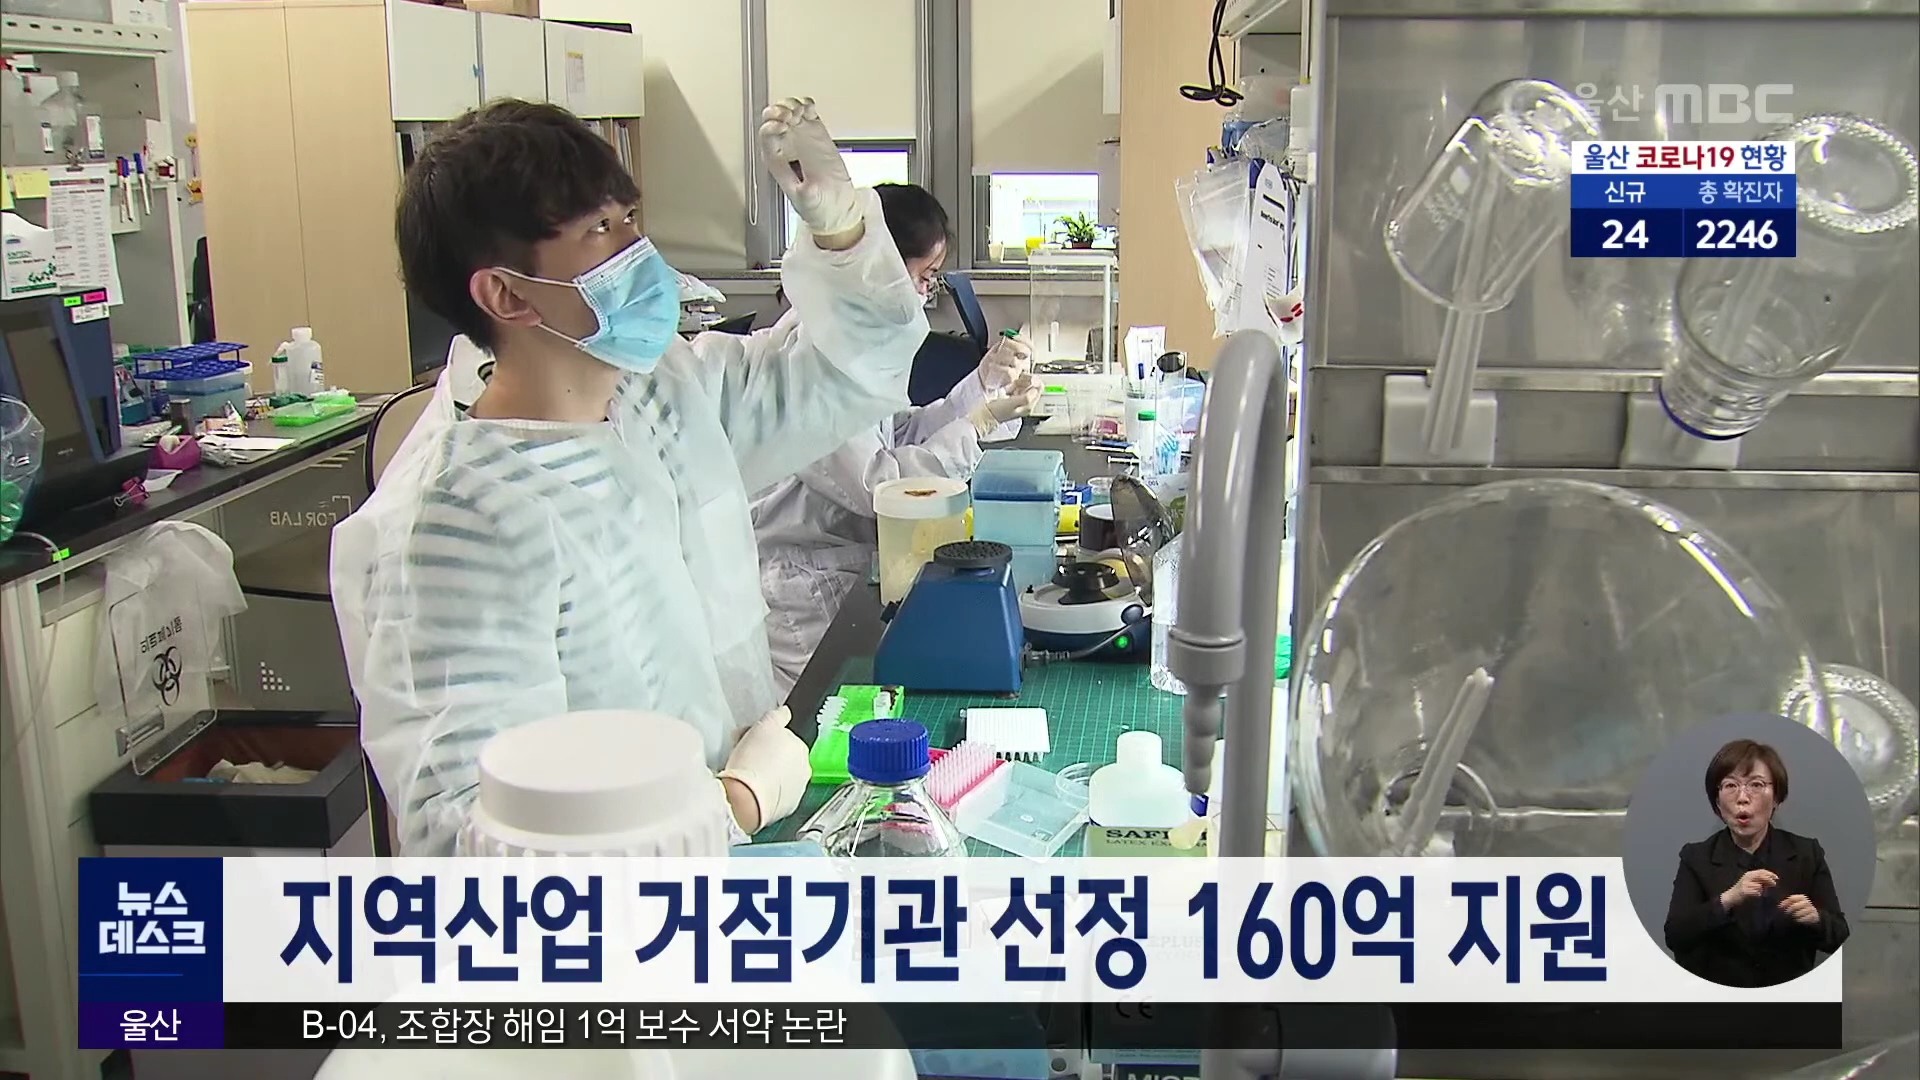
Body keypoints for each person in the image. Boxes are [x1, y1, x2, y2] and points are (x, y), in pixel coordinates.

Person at [330, 97, 931, 856]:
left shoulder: (662, 395)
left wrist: (841, 230)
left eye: (629, 218)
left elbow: (851, 371)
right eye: (600, 232)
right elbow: (466, 840)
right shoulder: (455, 527)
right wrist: (730, 806)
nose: (639, 252)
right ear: (507, 294)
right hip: (613, 918)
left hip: (720, 859)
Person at [751, 182, 1040, 695]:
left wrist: (981, 385)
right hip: (801, 589)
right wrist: (976, 425)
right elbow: (880, 485)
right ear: (879, 267)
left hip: (841, 569)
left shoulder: (855, 339)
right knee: (815, 722)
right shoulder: (815, 358)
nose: (927, 294)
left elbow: (897, 433)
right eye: (924, 277)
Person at [1663, 738, 1850, 987]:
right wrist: (1728, 899)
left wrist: (1817, 919)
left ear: (1776, 797)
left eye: (1756, 785)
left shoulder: (1807, 854)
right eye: (1730, 785)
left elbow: (1839, 934)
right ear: (1717, 801)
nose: (1743, 797)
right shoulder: (1696, 858)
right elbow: (1676, 935)